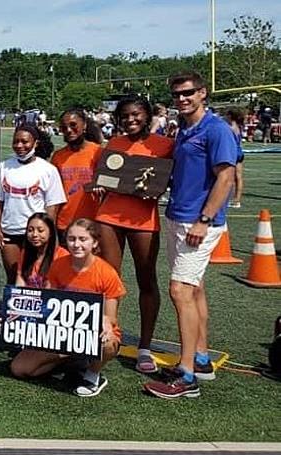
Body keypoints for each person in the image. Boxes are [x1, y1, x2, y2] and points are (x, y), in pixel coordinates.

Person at [144, 71, 237, 399]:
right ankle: (200, 358)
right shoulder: (183, 128)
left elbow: (225, 178)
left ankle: (186, 376)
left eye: (187, 93)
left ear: (203, 93)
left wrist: (205, 219)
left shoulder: (216, 129)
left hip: (199, 222)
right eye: (177, 94)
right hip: (178, 216)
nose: (182, 99)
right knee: (194, 289)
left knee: (179, 291)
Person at [94, 96, 174, 375]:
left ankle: (144, 347)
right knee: (107, 280)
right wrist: (99, 187)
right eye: (125, 116)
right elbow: (104, 179)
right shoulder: (113, 144)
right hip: (109, 217)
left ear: (148, 115)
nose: (130, 120)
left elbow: (166, 180)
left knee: (146, 279)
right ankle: (107, 335)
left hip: (143, 219)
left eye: (136, 114)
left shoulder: (164, 145)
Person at [11, 218, 126, 397]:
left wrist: (105, 321)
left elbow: (111, 318)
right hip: (62, 333)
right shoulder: (58, 265)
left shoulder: (107, 273)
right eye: (72, 239)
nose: (76, 244)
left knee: (108, 342)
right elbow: (47, 302)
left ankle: (93, 375)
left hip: (92, 333)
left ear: (94, 242)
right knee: (19, 369)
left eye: (83, 239)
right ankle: (73, 359)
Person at [0, 123, 66, 281]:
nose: (19, 146)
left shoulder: (48, 169)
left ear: (35, 143)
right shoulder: (4, 166)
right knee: (13, 276)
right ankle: (13, 305)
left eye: (25, 142)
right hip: (10, 230)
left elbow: (53, 205)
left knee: (37, 276)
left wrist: (47, 232)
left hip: (35, 233)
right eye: (16, 141)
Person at [51, 108, 103, 243]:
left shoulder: (98, 152)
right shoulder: (58, 156)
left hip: (93, 221)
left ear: (84, 125)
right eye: (64, 127)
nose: (68, 130)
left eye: (73, 125)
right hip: (64, 222)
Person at [15, 212, 67, 288]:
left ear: (50, 233)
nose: (34, 234)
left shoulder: (62, 255)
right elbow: (20, 280)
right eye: (30, 230)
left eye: (40, 230)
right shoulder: (25, 253)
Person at [224, 107, 246, 208]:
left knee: (230, 177)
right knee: (239, 177)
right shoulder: (239, 126)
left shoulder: (229, 127)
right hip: (239, 152)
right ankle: (237, 200)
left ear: (230, 116)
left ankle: (227, 198)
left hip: (232, 152)